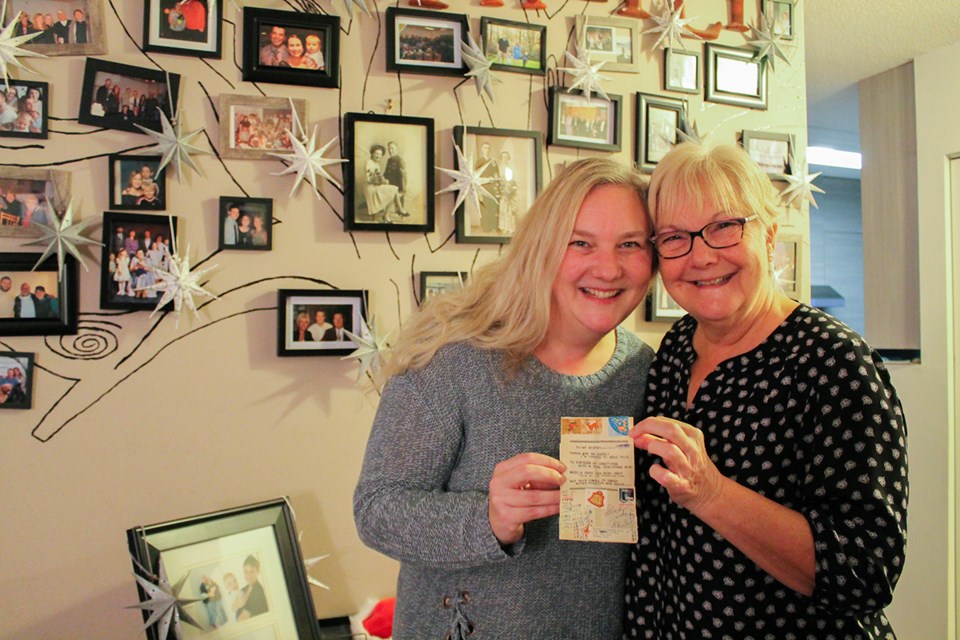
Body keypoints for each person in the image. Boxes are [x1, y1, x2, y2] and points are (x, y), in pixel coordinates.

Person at [354, 157, 657, 638]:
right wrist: (488, 518)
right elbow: (376, 510)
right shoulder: (455, 356)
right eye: (581, 242)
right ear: (543, 247)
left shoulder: (646, 372)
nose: (608, 267)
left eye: (630, 244)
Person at [622, 142, 908, 639]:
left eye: (725, 227)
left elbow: (866, 572)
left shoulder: (832, 362)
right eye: (674, 238)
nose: (702, 256)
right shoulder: (672, 352)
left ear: (770, 235)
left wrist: (712, 494)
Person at [363, 145, 407, 223]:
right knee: (394, 190)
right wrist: (382, 182)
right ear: (372, 153)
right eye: (376, 154)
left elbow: (379, 176)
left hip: (375, 186)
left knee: (393, 190)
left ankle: (387, 215)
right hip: (370, 187)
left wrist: (384, 180)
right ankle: (398, 210)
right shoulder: (369, 163)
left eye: (380, 154)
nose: (378, 156)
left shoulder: (377, 164)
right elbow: (369, 179)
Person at [475, 142, 500, 233]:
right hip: (483, 187)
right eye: (485, 148)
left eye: (488, 148)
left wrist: (495, 179)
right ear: (482, 149)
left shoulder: (493, 162)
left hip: (492, 188)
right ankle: (485, 228)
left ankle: (492, 227)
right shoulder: (479, 161)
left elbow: (496, 173)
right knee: (484, 208)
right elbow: (476, 176)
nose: (487, 150)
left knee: (492, 207)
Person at [236, 555, 268, 620]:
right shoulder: (241, 590)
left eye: (252, 571)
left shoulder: (262, 591)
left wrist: (249, 615)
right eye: (246, 572)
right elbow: (236, 614)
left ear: (258, 571)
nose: (249, 575)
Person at [383, 141, 407, 210]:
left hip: (398, 183)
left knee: (399, 199)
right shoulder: (389, 160)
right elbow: (386, 172)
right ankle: (386, 211)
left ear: (396, 149)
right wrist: (383, 179)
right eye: (389, 149)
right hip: (389, 182)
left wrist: (403, 188)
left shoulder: (400, 160)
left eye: (392, 148)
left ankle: (400, 212)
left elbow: (403, 176)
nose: (390, 151)